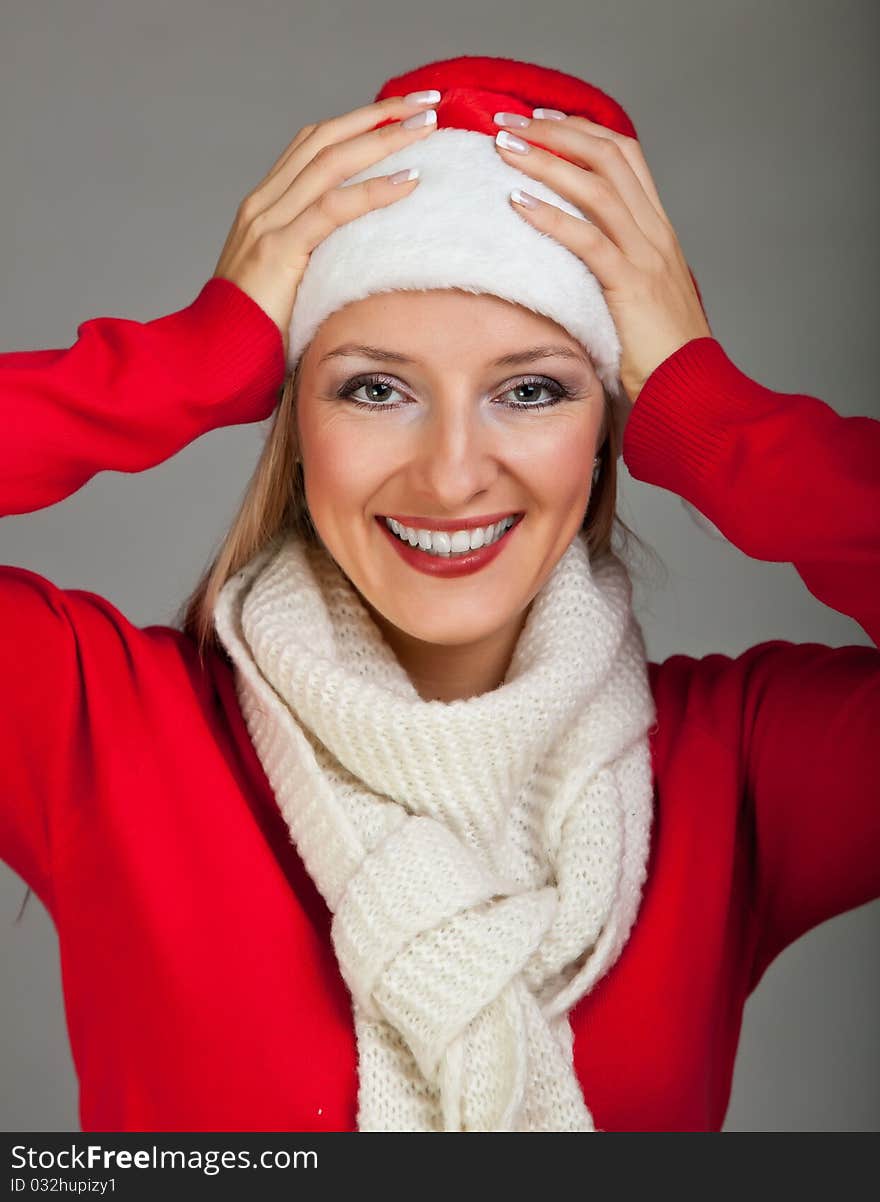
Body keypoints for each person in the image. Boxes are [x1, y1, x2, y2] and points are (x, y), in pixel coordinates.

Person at [1, 54, 877, 1133]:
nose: (453, 471)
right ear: (297, 420)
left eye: (531, 389)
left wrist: (712, 414)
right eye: (374, 387)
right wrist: (187, 362)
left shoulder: (737, 771)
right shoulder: (99, 725)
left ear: (604, 426)